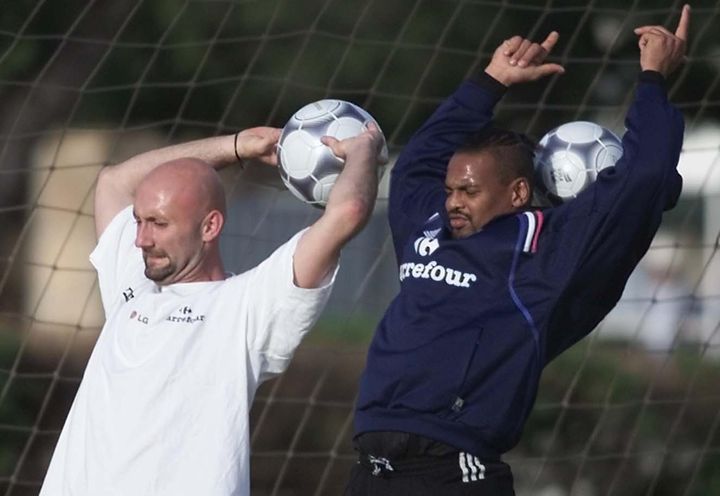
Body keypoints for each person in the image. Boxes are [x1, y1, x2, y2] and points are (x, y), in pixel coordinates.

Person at [347, 5, 690, 495]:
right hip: (372, 470)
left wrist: (653, 79)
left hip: (451, 471)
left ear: (518, 194)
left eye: (469, 191)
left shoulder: (542, 251)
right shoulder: (429, 224)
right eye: (450, 190)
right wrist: (489, 82)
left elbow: (644, 178)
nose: (453, 201)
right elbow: (414, 166)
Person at [39, 123, 386, 495]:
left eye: (158, 223)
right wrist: (238, 147)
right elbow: (114, 181)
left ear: (210, 227)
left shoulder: (248, 306)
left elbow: (346, 211)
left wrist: (364, 147)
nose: (141, 238)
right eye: (139, 221)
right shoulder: (132, 286)